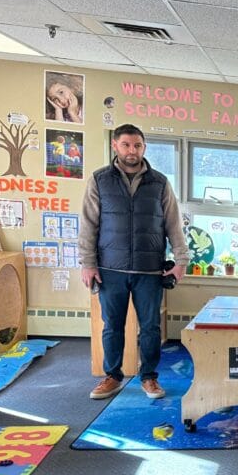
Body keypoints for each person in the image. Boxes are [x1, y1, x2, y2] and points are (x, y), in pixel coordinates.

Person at [79, 124, 188, 400]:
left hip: (149, 270)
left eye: (137, 145)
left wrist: (181, 261)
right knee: (112, 326)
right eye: (126, 145)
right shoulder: (99, 180)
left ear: (144, 148)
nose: (132, 150)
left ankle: (149, 377)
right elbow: (88, 224)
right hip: (110, 269)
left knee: (151, 327)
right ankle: (112, 377)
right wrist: (87, 263)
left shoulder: (160, 182)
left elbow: (173, 224)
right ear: (115, 146)